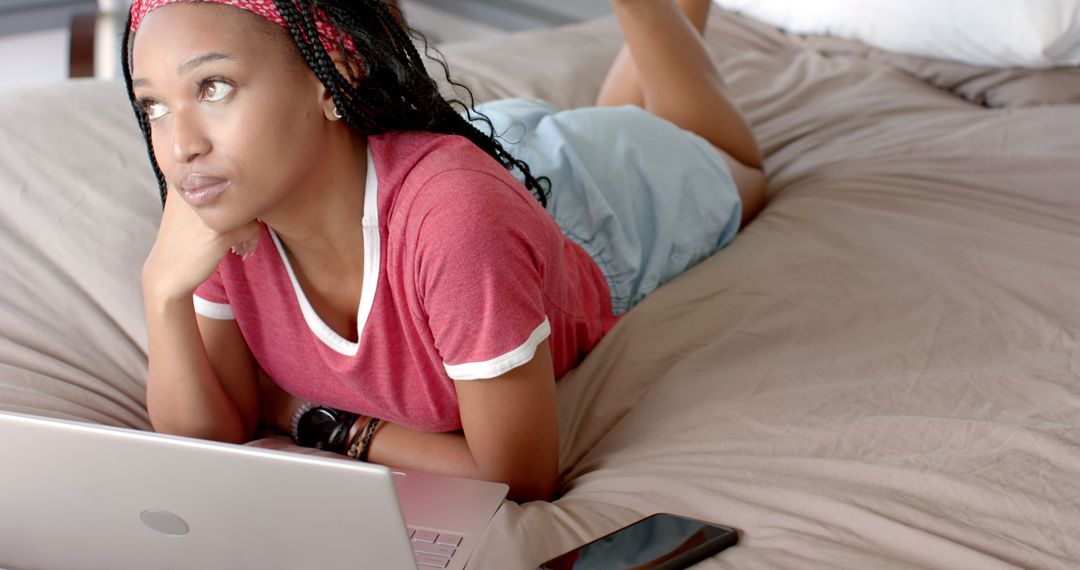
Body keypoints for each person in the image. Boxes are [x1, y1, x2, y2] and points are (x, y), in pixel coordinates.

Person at [125, 0, 766, 502]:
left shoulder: (459, 222)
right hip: (472, 167)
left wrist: (323, 422)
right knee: (601, 126)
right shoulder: (225, 207)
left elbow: (515, 480)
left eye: (213, 87)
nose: (180, 146)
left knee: (737, 171)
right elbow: (217, 435)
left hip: (575, 216)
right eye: (153, 104)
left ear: (335, 73)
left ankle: (645, 9)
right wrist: (163, 294)